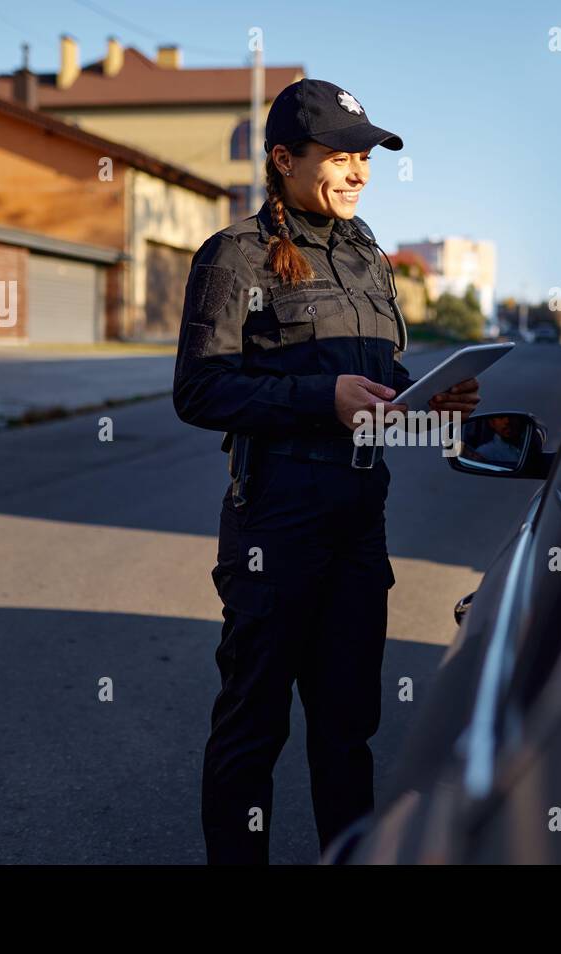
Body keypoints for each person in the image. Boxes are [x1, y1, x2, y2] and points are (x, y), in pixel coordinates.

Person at [173, 78, 481, 864]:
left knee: (349, 728)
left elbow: (374, 380)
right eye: (340, 155)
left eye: (364, 157)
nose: (357, 171)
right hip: (274, 520)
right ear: (283, 159)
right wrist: (324, 398)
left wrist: (428, 401)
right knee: (254, 724)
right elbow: (200, 389)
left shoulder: (368, 254)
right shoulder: (236, 255)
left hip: (357, 519)